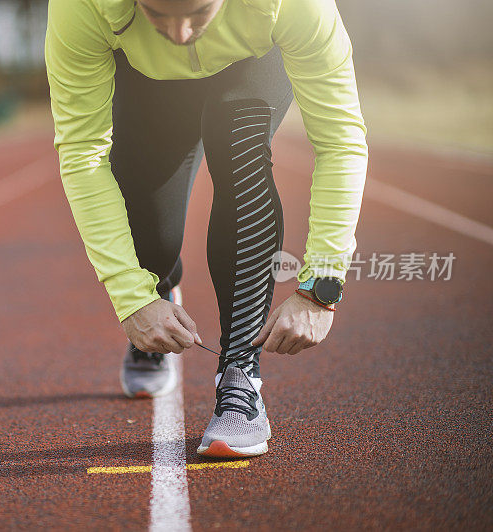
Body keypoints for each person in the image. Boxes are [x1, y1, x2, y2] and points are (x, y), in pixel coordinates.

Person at [44, 0, 367, 458]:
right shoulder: (83, 6)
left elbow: (340, 141)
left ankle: (240, 373)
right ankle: (162, 289)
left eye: (198, 12)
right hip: (147, 81)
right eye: (158, 14)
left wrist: (321, 287)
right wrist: (133, 296)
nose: (180, 34)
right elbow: (83, 154)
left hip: (249, 64)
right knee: (151, 240)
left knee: (241, 149)